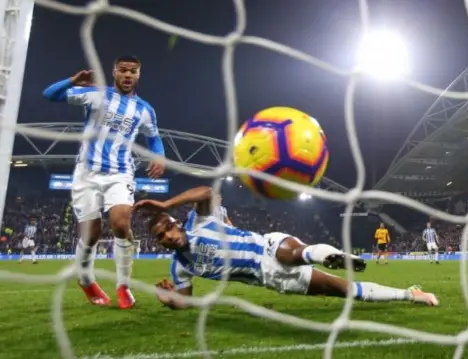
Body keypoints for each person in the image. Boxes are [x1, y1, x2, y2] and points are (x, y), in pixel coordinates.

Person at [133, 186, 439, 309]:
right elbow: (186, 302)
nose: (169, 236)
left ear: (176, 222)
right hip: (270, 276)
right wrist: (169, 299)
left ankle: (324, 254)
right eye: (162, 237)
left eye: (169, 227)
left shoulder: (197, 223)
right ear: (158, 243)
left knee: (293, 252)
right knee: (346, 291)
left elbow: (207, 191)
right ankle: (411, 294)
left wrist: (164, 203)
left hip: (267, 245)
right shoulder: (181, 266)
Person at [42, 55, 166, 309]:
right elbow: (49, 94)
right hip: (87, 172)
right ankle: (86, 279)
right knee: (92, 233)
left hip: (120, 173)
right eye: (123, 70)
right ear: (114, 72)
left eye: (133, 71)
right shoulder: (96, 95)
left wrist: (159, 157)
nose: (128, 75)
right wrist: (71, 81)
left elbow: (154, 138)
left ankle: (123, 286)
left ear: (139, 75)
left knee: (121, 223)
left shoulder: (144, 109)